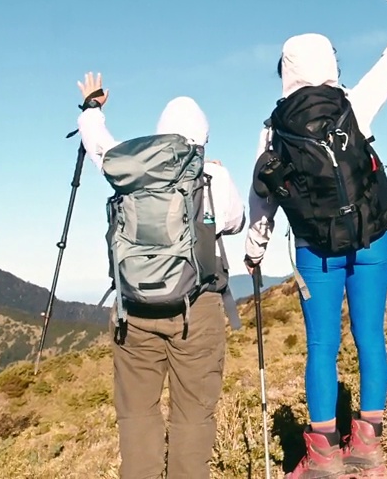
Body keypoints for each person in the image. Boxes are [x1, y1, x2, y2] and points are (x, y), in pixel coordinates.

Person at [244, 8, 387, 479]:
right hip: (371, 240)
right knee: (370, 339)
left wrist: (255, 249)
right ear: (331, 63)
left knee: (321, 345)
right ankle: (368, 448)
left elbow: (261, 195)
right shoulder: (352, 105)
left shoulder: (274, 127)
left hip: (314, 249)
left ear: (286, 69)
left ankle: (323, 458)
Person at [75, 73, 247, 479]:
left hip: (133, 309)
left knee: (137, 415)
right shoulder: (211, 175)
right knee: (192, 415)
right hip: (196, 308)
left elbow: (95, 142)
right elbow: (235, 222)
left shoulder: (129, 169)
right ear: (202, 136)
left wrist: (92, 107)